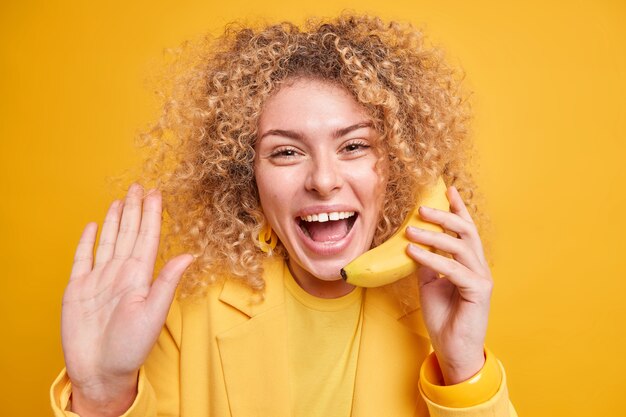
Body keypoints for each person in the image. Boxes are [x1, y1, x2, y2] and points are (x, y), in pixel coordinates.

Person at [51, 14, 517, 417]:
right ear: (244, 175)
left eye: (354, 146)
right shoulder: (186, 320)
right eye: (286, 152)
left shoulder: (438, 318)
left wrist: (461, 369)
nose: (323, 180)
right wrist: (101, 394)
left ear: (397, 164)